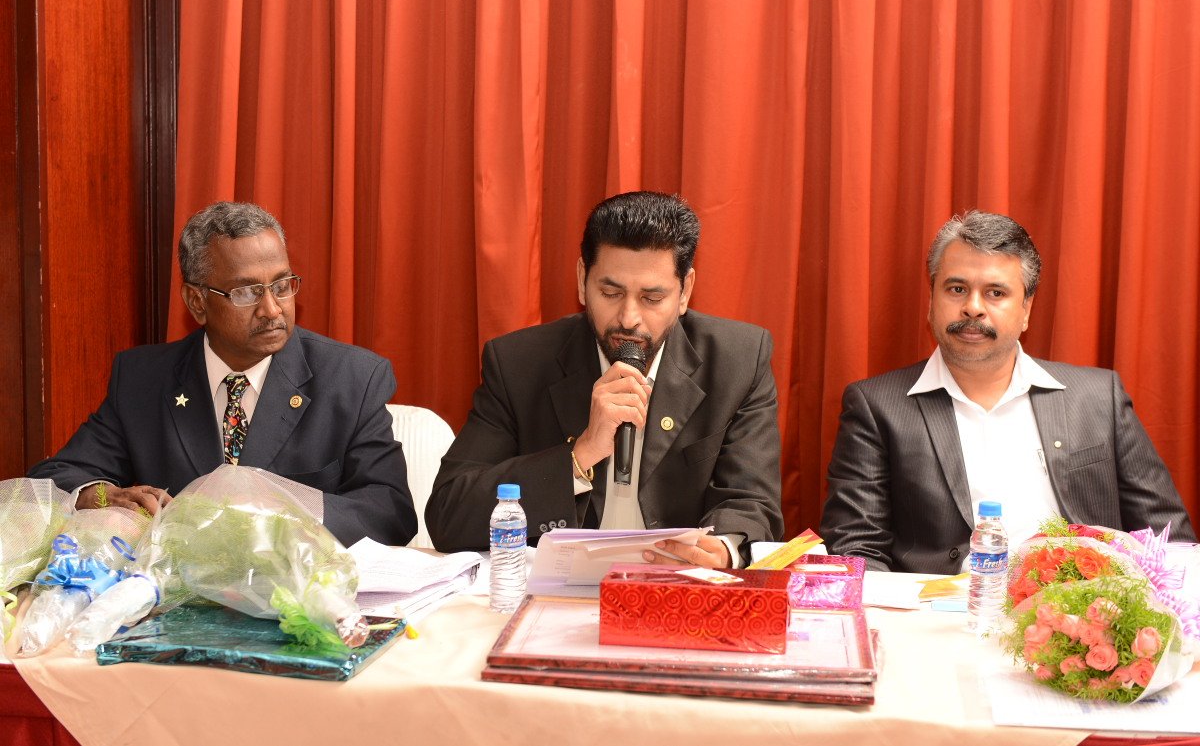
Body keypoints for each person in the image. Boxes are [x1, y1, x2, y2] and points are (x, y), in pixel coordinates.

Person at [821, 210, 1195, 573]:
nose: (973, 308)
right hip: (943, 610)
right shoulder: (877, 407)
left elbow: (1168, 540)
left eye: (995, 292)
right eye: (957, 289)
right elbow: (856, 550)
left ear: (1026, 309)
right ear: (932, 301)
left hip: (1079, 608)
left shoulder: (1098, 398)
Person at [426, 191, 783, 567]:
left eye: (652, 298)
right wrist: (579, 456)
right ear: (583, 280)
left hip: (677, 587)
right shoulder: (518, 364)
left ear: (684, 292)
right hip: (561, 588)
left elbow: (753, 503)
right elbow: (449, 515)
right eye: (611, 292)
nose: (628, 318)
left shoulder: (738, 360)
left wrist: (723, 549)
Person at [28, 201, 417, 548]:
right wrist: (101, 496)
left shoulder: (352, 378)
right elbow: (53, 479)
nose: (272, 309)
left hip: (298, 593)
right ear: (197, 302)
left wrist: (280, 514)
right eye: (246, 292)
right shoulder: (143, 379)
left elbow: (390, 511)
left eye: (282, 285)